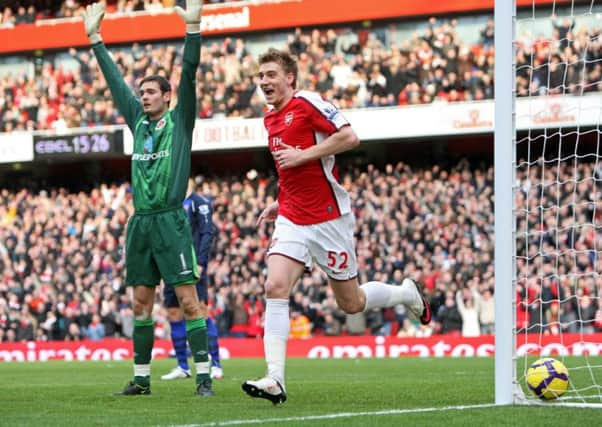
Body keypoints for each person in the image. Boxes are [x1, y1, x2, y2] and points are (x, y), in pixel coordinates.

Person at [241, 48, 432, 405]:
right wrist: (278, 202)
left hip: (329, 219)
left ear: (289, 79)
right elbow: (290, 172)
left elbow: (349, 137)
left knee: (352, 303)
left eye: (271, 75)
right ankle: (275, 379)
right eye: (261, 75)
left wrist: (303, 155)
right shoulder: (269, 119)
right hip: (293, 218)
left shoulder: (308, 102)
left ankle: (406, 293)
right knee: (275, 285)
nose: (265, 81)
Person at [83, 0, 213, 396]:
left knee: (189, 301)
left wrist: (193, 33)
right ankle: (141, 378)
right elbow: (115, 83)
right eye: (142, 92)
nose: (143, 97)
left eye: (151, 92)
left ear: (168, 96)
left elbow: (188, 74)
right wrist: (95, 40)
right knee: (140, 304)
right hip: (140, 222)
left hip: (171, 220)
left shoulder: (180, 120)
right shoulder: (137, 122)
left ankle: (204, 376)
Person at [161, 177, 224, 381]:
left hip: (193, 264)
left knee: (200, 311)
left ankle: (215, 364)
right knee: (173, 312)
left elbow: (207, 233)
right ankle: (182, 366)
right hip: (172, 266)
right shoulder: (170, 203)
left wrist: (201, 262)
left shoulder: (200, 202)